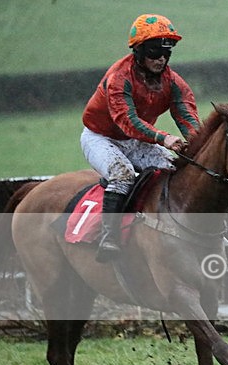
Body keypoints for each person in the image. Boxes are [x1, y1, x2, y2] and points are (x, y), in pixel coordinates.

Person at [81, 13, 201, 262]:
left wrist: (199, 145)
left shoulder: (173, 81)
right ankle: (109, 237)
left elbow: (187, 115)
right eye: (154, 52)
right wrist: (164, 138)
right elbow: (127, 122)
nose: (161, 59)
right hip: (100, 138)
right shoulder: (118, 78)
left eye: (166, 52)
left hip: (135, 141)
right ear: (139, 51)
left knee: (174, 169)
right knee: (122, 174)